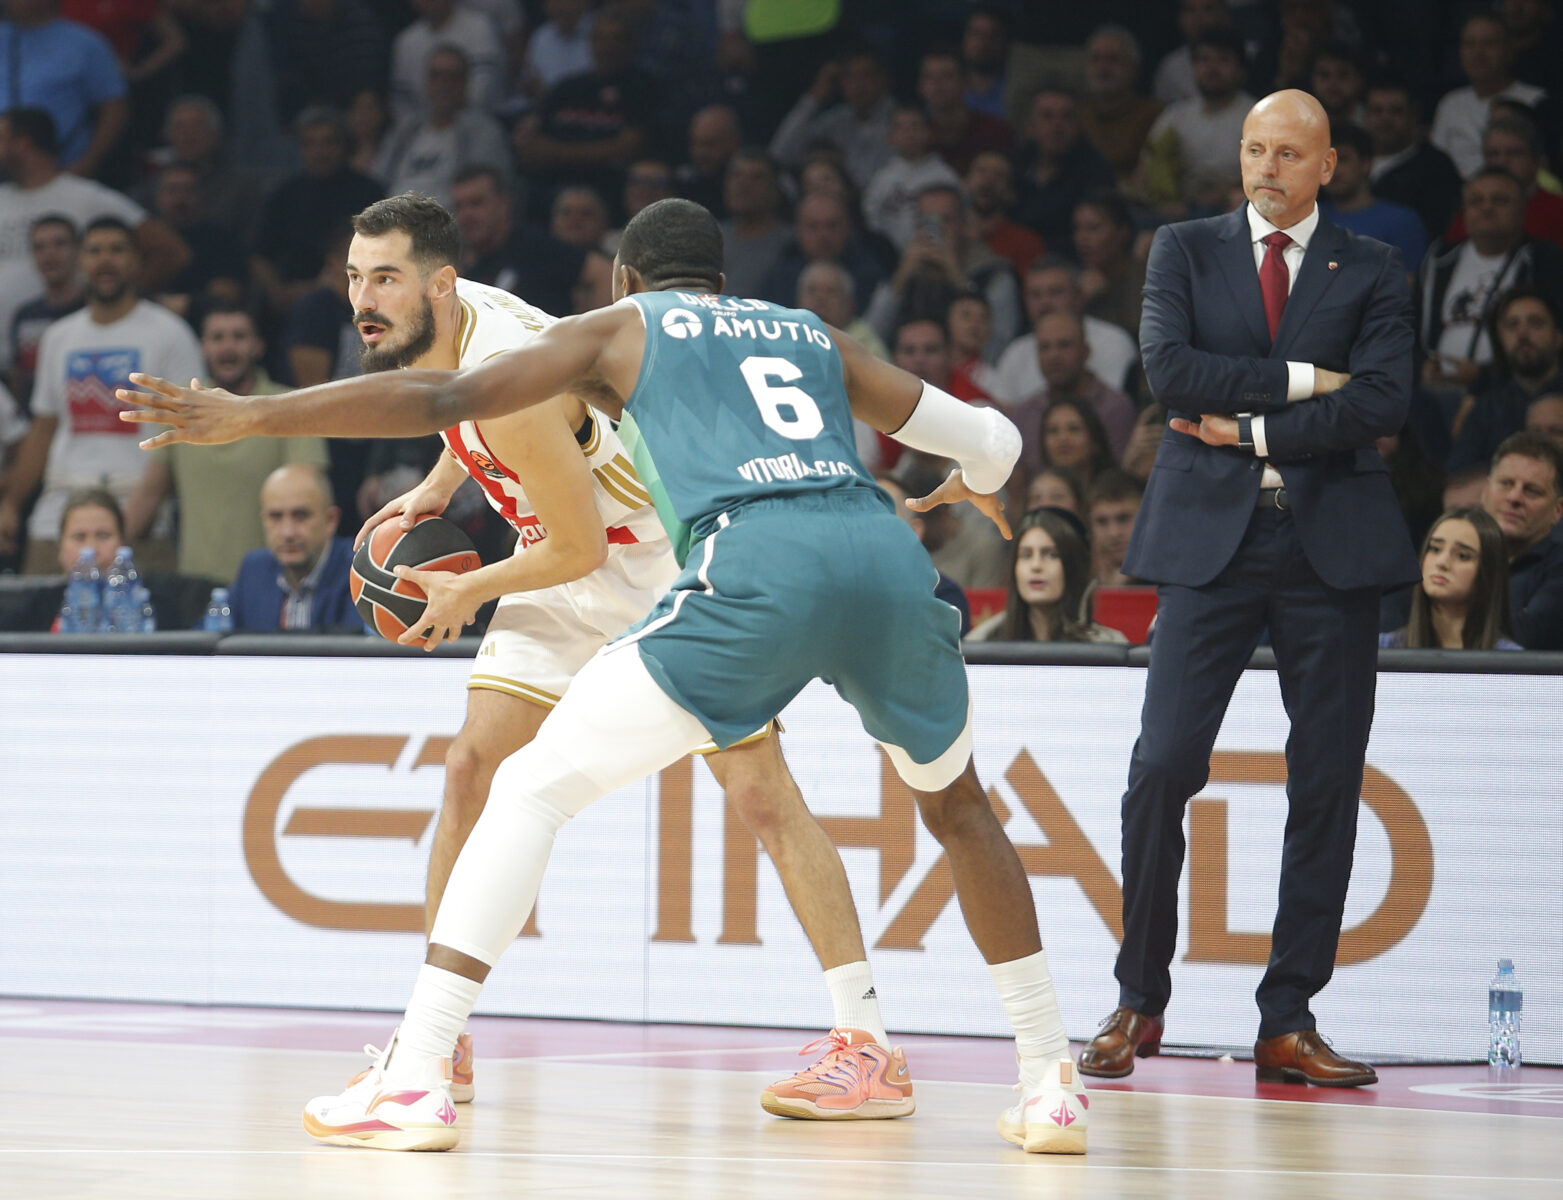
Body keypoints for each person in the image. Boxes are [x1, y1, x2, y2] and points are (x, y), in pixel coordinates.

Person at [121, 196, 1089, 1156]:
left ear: (624, 279)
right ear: (722, 283)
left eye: (383, 277)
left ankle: (417, 1077)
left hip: (705, 564)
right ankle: (1050, 1080)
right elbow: (994, 442)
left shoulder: (612, 330)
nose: (368, 293)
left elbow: (456, 406)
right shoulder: (805, 330)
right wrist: (984, 483)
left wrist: (252, 418)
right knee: (957, 809)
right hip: (877, 556)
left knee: (556, 792)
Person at [1077, 91, 1417, 1090]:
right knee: (1161, 768)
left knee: (1325, 784)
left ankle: (1288, 1016)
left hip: (1331, 549)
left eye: (1289, 152)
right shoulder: (1182, 247)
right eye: (1255, 149)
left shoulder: (1380, 266)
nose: (1267, 167)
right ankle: (1139, 998)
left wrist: (1257, 426)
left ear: (1328, 166)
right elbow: (1171, 372)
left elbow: (1388, 400)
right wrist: (1317, 384)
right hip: (1207, 545)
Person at [0, 216, 203, 573]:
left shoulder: (171, 334)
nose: (105, 259)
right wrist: (12, 503)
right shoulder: (59, 336)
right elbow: (44, 430)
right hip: (58, 516)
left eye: (117, 250)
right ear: (80, 261)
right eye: (94, 251)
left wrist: (123, 530)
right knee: (42, 624)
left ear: (137, 261)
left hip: (140, 518)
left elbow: (182, 439)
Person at [140, 303, 328, 585]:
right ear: (202, 347)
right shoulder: (181, 408)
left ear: (258, 346)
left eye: (239, 337)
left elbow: (311, 493)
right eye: (217, 338)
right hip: (195, 585)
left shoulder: (289, 406)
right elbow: (150, 493)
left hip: (274, 584)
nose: (228, 347)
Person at [0, 108, 188, 373]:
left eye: (1, 137)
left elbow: (170, 251)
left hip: (78, 354)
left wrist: (118, 300)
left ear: (22, 143)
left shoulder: (84, 197)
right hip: (12, 359)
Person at [1417, 168, 1563, 394]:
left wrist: (1484, 374)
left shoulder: (1545, 261)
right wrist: (1421, 367)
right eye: (1476, 201)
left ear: (1522, 209)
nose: (1487, 207)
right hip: (1437, 391)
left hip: (1512, 390)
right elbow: (1410, 325)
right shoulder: (1439, 259)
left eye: (1500, 200)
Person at [230, 463, 364, 632]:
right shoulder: (253, 570)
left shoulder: (360, 572)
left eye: (301, 515)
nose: (288, 533)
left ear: (331, 520)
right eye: (275, 517)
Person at [374, 45, 511, 210]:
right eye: (435, 76)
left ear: (465, 83)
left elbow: (484, 199)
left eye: (452, 76)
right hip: (392, 226)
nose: (443, 84)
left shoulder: (485, 133)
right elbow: (376, 183)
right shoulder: (404, 131)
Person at [967, 505, 1128, 644]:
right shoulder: (980, 641)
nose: (1036, 566)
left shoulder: (1108, 644)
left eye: (1051, 554)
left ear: (1073, 565)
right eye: (1026, 555)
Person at [0, 0, 128, 176]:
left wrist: (87, 163)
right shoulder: (4, 36)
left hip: (59, 165)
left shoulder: (86, 44)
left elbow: (114, 108)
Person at [1447, 286, 1563, 473]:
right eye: (1512, 325)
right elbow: (1460, 475)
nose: (1522, 334)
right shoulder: (1487, 408)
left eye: (1535, 323)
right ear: (1500, 339)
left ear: (1558, 337)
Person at [1380, 507, 1518, 649]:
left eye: (1462, 556)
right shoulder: (1381, 649)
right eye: (1435, 549)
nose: (1442, 563)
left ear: (1489, 573)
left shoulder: (1514, 662)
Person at [1430, 13, 1546, 179]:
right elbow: (1436, 165)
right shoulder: (1450, 103)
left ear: (1509, 49)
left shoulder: (1537, 100)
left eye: (1489, 43)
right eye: (1469, 44)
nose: (1478, 52)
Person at [1010, 313, 1136, 462]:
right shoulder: (1025, 414)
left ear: (1085, 351)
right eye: (1045, 347)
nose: (1053, 355)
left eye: (1064, 345)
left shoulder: (1116, 408)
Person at [1481, 430, 1563, 647]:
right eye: (1506, 483)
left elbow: (1530, 634)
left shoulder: (1558, 567)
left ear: (1558, 510)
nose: (1514, 498)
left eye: (1532, 491)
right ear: (1485, 491)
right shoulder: (1452, 551)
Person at [1363, 79, 1463, 246]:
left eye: (1396, 111)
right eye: (1377, 111)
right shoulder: (1347, 160)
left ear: (1413, 116)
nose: (1385, 118)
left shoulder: (1436, 167)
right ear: (1365, 116)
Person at [1320, 123, 1426, 274]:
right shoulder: (1307, 219)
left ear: (1366, 165)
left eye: (1343, 159)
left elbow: (1404, 287)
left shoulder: (1401, 221)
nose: (1333, 168)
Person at [7, 214, 85, 413]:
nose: (49, 254)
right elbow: (19, 378)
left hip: (86, 417)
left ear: (78, 250)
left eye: (59, 244)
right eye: (39, 247)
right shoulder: (25, 316)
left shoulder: (97, 310)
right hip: (35, 423)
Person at [1079, 25, 1163, 183]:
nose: (1102, 68)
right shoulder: (1073, 113)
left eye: (1113, 59)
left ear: (1133, 68)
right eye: (1095, 59)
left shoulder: (1154, 115)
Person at [1084, 467, 1143, 591]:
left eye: (1124, 519)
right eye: (1102, 521)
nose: (1114, 533)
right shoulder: (1079, 585)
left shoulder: (1172, 583)